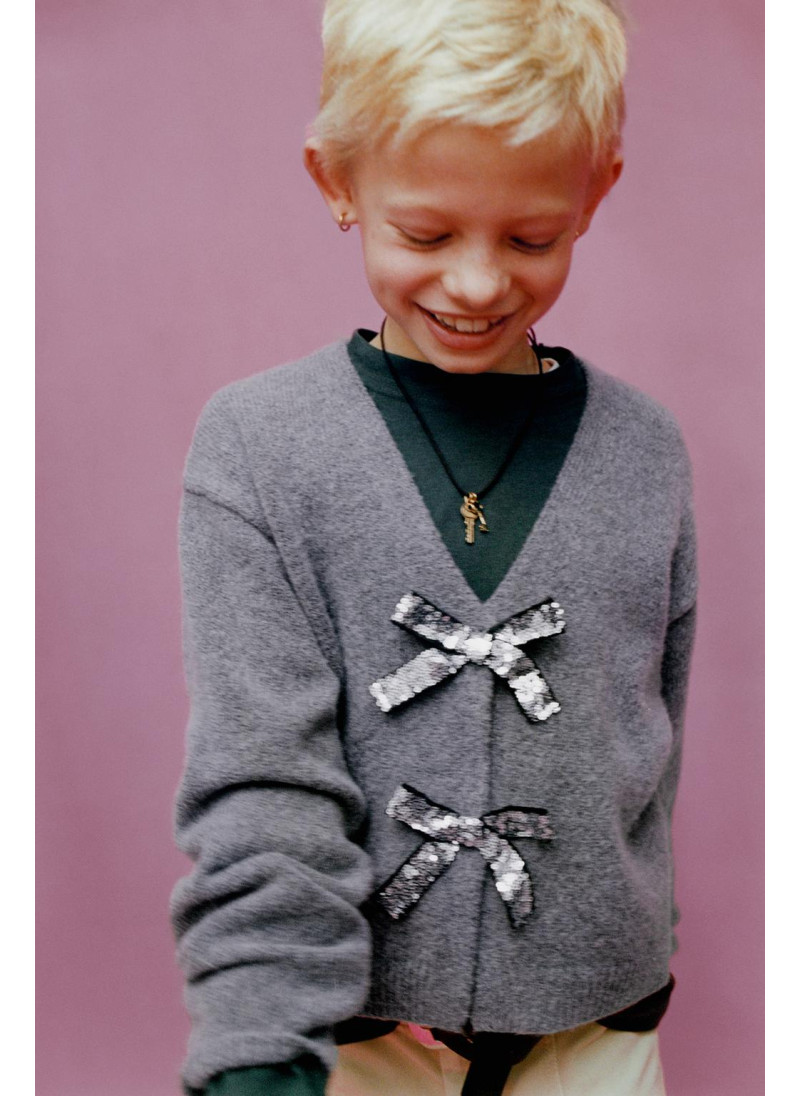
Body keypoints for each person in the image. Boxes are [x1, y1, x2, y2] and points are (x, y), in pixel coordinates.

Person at [170, 1, 697, 1094]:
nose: (476, 283)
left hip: (599, 1041)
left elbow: (647, 748)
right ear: (336, 182)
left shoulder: (646, 451)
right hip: (348, 1048)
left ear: (595, 192)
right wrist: (260, 1048)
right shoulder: (260, 445)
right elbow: (261, 777)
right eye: (424, 234)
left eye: (531, 238)